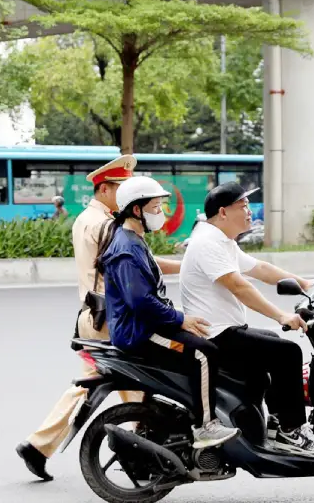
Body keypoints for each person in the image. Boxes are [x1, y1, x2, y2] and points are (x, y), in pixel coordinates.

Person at [16, 156, 182, 481]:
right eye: (121, 190)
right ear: (105, 188)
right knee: (141, 381)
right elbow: (138, 264)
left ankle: (39, 446)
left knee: (95, 385)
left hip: (94, 314)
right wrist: (186, 266)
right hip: (111, 319)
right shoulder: (107, 225)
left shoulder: (86, 218)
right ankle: (138, 454)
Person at [178, 181, 314, 458]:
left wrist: (305, 283)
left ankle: (277, 421)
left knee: (274, 342)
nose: (250, 211)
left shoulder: (220, 239)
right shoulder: (207, 243)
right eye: (244, 206)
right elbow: (240, 286)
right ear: (223, 212)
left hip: (225, 329)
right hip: (214, 335)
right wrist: (282, 315)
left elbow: (259, 268)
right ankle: (292, 430)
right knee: (287, 352)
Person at [97, 176, 241, 448]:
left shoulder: (133, 238)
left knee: (205, 344)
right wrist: (180, 319)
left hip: (148, 323)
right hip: (139, 332)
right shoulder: (126, 248)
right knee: (204, 353)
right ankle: (205, 426)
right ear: (137, 210)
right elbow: (141, 302)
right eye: (155, 207)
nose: (160, 213)